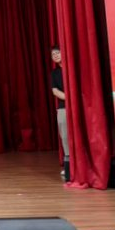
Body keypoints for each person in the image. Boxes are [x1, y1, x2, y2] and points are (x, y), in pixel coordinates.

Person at [51, 45, 69, 181]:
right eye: (53, 54)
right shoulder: (54, 73)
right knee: (64, 135)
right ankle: (69, 163)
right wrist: (69, 98)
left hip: (78, 105)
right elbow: (55, 91)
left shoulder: (71, 68)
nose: (56, 55)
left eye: (58, 52)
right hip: (63, 106)